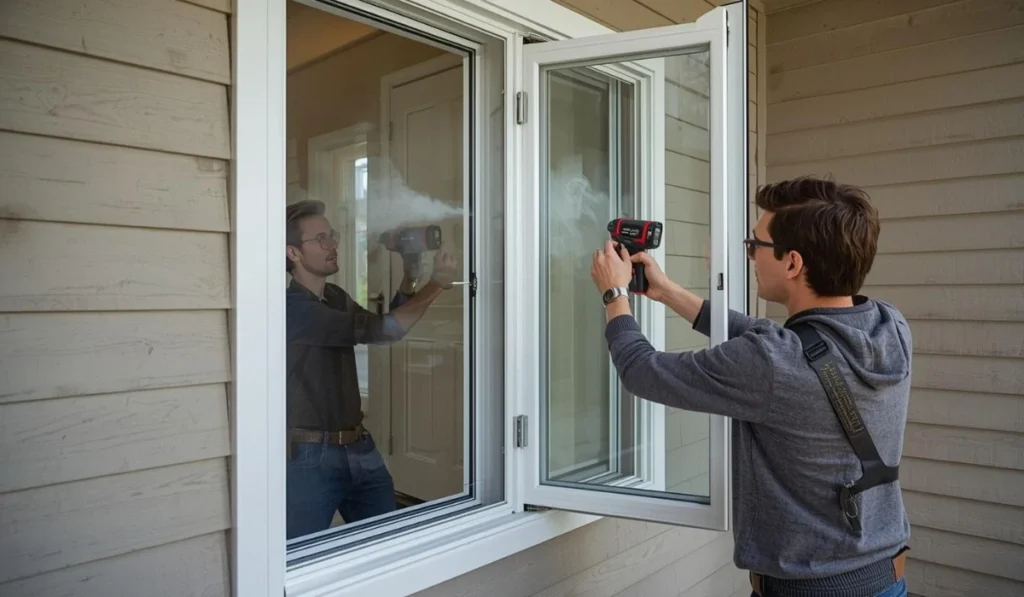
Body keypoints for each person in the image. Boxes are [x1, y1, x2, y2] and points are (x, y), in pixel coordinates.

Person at [590, 177, 911, 597]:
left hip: (811, 589)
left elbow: (642, 371)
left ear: (792, 263)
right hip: (884, 576)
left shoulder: (771, 364)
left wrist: (615, 293)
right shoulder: (891, 327)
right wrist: (667, 292)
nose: (750, 256)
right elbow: (779, 341)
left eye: (754, 245)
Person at [285, 199, 457, 540]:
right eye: (320, 239)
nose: (333, 243)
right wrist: (436, 285)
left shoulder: (333, 296)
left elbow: (380, 326)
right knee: (296, 558)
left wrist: (410, 276)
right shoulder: (294, 309)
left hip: (359, 447)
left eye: (331, 235)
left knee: (389, 542)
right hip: (310, 459)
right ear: (293, 253)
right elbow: (385, 330)